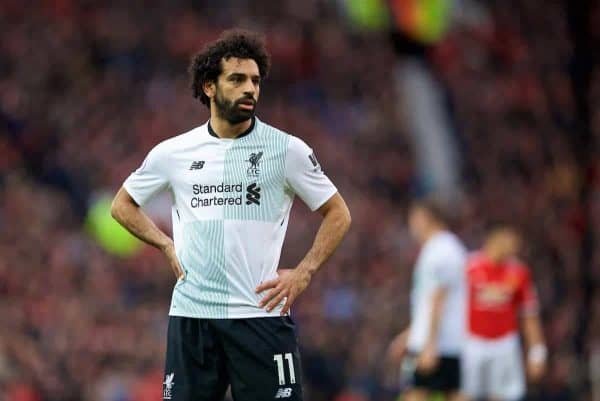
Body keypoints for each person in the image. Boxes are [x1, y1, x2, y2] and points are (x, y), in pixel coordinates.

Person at [110, 29, 351, 401]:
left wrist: (303, 274)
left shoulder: (287, 150)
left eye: (255, 80)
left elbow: (338, 213)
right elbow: (122, 205)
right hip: (193, 318)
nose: (250, 89)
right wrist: (165, 244)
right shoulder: (172, 153)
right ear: (209, 86)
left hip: (259, 318)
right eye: (237, 79)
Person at [387, 199, 467, 401]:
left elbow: (439, 298)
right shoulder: (442, 248)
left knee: (415, 394)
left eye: (414, 218)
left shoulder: (442, 250)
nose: (411, 225)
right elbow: (428, 303)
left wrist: (429, 343)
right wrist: (409, 335)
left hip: (438, 343)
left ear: (426, 218)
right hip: (445, 342)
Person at [462, 224, 546, 401]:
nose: (515, 246)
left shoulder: (519, 272)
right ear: (494, 238)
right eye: (510, 239)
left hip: (505, 344)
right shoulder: (468, 266)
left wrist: (537, 352)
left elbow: (529, 315)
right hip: (472, 342)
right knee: (464, 394)